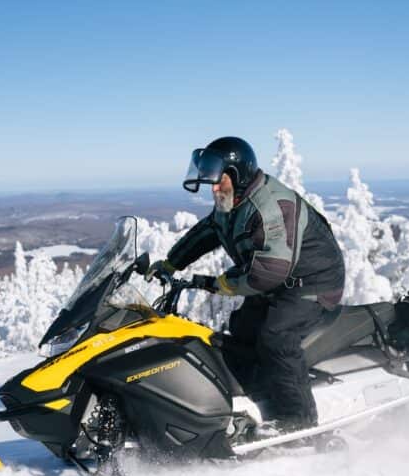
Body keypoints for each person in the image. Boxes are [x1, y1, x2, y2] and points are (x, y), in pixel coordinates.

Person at [147, 136, 345, 429]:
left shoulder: (271, 207)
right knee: (241, 328)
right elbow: (208, 231)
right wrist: (171, 263)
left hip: (313, 284)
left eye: (218, 180)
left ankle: (299, 418)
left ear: (238, 176)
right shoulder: (233, 202)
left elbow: (269, 271)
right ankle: (259, 392)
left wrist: (222, 284)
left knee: (276, 336)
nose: (213, 188)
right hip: (281, 282)